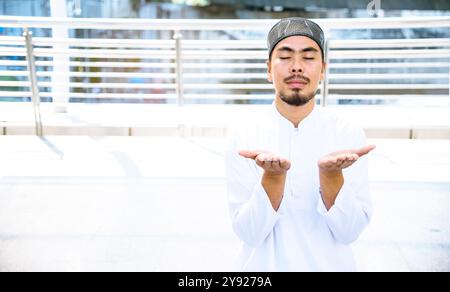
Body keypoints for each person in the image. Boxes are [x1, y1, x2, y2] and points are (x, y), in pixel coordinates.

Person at [225, 17, 376, 272]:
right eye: (285, 57)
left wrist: (332, 177)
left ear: (323, 69)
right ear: (268, 69)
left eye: (308, 57)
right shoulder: (243, 134)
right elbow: (249, 234)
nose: (296, 67)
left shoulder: (347, 133)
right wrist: (272, 180)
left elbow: (349, 232)